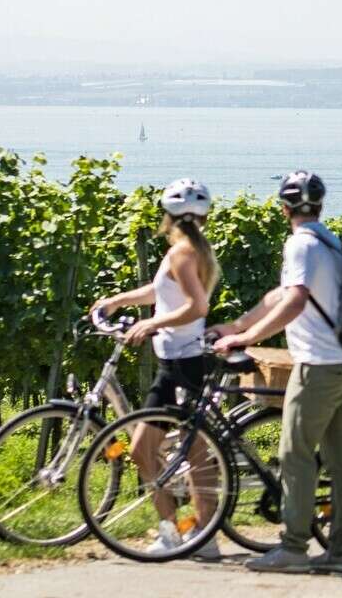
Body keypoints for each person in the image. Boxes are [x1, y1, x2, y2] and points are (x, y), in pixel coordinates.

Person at [210, 170, 342, 574]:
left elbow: (294, 301)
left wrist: (247, 340)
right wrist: (238, 327)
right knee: (339, 457)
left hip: (317, 367)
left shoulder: (300, 245)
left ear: (283, 209)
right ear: (320, 206)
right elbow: (277, 296)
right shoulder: (328, 242)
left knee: (294, 454)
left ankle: (294, 548)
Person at [91, 177, 222, 558]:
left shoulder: (183, 253)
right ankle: (199, 534)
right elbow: (160, 292)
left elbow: (197, 307)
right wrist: (118, 301)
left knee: (146, 450)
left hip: (180, 363)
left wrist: (152, 323)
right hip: (182, 360)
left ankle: (177, 532)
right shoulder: (188, 250)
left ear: (168, 216)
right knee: (194, 448)